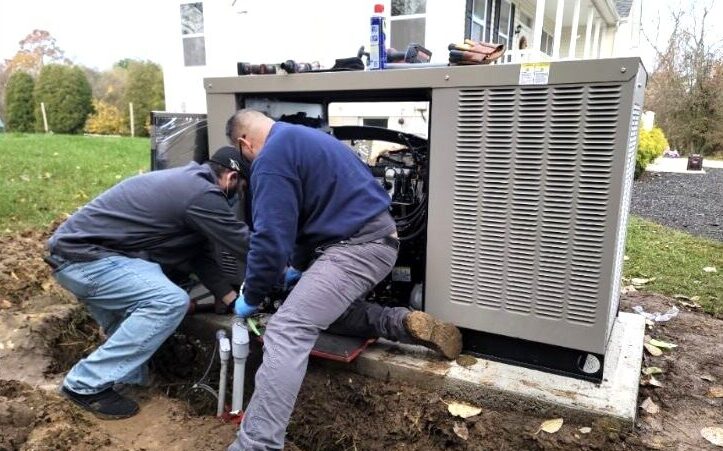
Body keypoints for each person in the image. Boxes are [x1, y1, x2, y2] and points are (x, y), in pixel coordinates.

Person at [225, 109, 463, 451]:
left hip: (354, 247)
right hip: (377, 240)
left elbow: (270, 238)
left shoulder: (270, 157)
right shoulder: (308, 138)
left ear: (243, 142)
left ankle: (256, 445)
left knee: (287, 329)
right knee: (322, 314)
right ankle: (402, 322)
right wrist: (300, 266)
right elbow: (318, 210)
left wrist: (252, 294)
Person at [46, 146, 250, 419]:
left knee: (129, 318)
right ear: (231, 178)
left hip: (77, 257)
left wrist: (230, 298)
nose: (239, 196)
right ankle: (83, 385)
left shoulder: (188, 185)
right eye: (242, 187)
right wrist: (286, 270)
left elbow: (199, 255)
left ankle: (128, 381)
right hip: (87, 258)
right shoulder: (202, 193)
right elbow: (243, 243)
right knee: (169, 301)